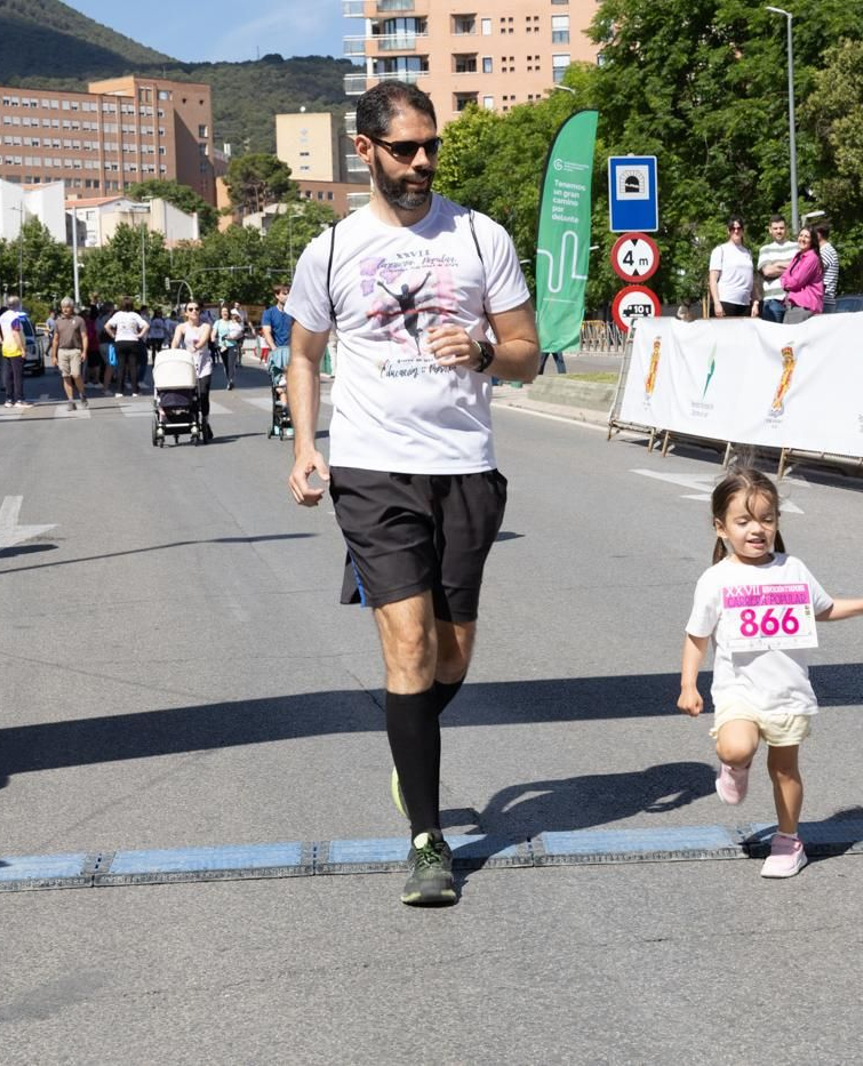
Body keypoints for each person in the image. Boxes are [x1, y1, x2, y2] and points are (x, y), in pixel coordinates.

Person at [284, 79, 540, 907]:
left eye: (431, 146)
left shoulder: (480, 237)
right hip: (373, 470)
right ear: (365, 151)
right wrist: (303, 448)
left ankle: (411, 749)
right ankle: (428, 839)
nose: (422, 162)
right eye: (405, 149)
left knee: (452, 651)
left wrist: (479, 351)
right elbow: (303, 356)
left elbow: (528, 352)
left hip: (465, 466)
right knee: (407, 648)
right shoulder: (330, 250)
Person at [678, 467, 863, 878]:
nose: (757, 529)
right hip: (738, 690)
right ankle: (733, 768)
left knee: (784, 769)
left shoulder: (792, 569)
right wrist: (689, 684)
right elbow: (697, 636)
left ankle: (789, 840)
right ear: (720, 527)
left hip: (788, 694)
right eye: (744, 521)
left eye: (767, 518)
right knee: (736, 748)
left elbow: (824, 609)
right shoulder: (716, 579)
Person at [170, 300, 215, 441]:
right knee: (190, 397)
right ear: (186, 313)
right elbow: (176, 341)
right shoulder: (181, 327)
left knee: (203, 395)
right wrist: (173, 351)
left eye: (197, 309)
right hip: (188, 365)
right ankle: (194, 422)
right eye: (191, 309)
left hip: (203, 365)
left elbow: (203, 341)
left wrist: (195, 347)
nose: (194, 311)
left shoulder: (206, 326)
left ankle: (205, 421)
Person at [0, 295, 33, 409]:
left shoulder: (3, 316)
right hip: (15, 348)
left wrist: (0, 340)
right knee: (18, 375)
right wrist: (22, 349)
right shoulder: (15, 317)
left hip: (6, 348)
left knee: (9, 375)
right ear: (17, 305)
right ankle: (19, 399)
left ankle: (9, 399)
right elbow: (15, 333)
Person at [707, 216, 755, 318]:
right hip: (725, 301)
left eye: (739, 228)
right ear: (728, 231)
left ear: (743, 230)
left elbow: (751, 280)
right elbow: (713, 279)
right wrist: (716, 303)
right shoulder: (720, 250)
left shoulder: (748, 253)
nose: (736, 231)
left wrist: (755, 303)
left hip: (745, 303)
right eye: (733, 229)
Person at [756, 216, 799, 323]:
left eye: (781, 228)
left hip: (793, 300)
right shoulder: (765, 249)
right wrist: (791, 267)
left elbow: (801, 269)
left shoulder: (796, 247)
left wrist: (777, 264)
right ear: (770, 230)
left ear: (786, 229)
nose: (778, 231)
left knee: (792, 337)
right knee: (773, 337)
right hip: (772, 301)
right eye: (775, 228)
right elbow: (767, 271)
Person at [779, 226, 826, 324]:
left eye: (806, 237)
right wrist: (786, 281)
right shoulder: (798, 256)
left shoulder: (812, 258)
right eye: (801, 235)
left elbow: (796, 282)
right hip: (794, 306)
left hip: (803, 306)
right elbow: (785, 275)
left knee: (792, 338)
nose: (802, 239)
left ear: (812, 240)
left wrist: (786, 283)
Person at [48, 297, 88, 410]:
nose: (65, 309)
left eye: (68, 307)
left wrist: (84, 351)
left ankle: (82, 394)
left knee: (76, 374)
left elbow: (84, 337)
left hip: (75, 350)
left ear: (72, 308)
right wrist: (53, 356)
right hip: (62, 351)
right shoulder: (57, 322)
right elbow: (55, 339)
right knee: (65, 376)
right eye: (63, 307)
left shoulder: (79, 320)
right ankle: (71, 401)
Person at [104, 297, 149, 398]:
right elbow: (146, 325)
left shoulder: (118, 315)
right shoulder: (135, 315)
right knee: (133, 367)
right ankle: (135, 391)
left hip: (120, 341)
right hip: (133, 341)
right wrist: (140, 335)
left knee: (121, 367)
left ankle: (119, 391)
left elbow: (107, 326)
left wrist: (113, 335)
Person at [261, 284, 293, 382]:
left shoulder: (294, 312)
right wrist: (274, 348)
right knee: (280, 387)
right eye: (284, 294)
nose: (288, 296)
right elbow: (267, 332)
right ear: (277, 295)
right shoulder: (269, 313)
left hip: (292, 351)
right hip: (277, 350)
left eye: (289, 294)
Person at [814, 221, 839, 314]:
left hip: (825, 300)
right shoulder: (825, 250)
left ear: (818, 235)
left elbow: (814, 271)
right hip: (824, 300)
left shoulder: (826, 251)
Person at [214, 307, 243, 388]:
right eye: (223, 311)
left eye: (226, 311)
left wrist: (234, 337)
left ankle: (231, 381)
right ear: (221, 313)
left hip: (233, 345)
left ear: (228, 313)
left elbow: (240, 332)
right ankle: (228, 379)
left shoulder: (232, 322)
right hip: (222, 346)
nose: (224, 313)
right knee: (226, 364)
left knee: (231, 364)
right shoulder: (218, 322)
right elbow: (213, 333)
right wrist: (213, 338)